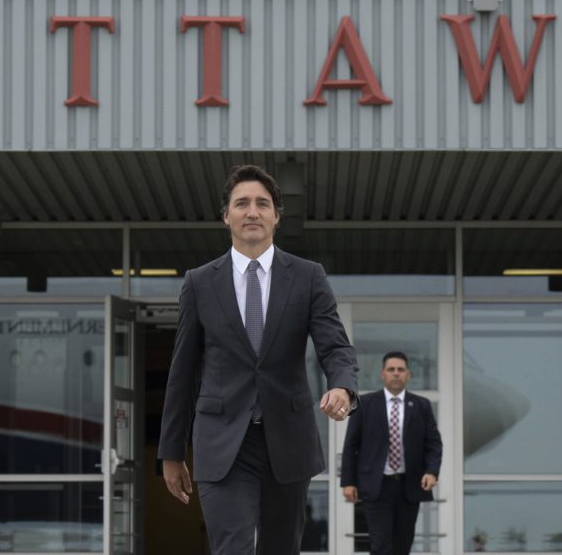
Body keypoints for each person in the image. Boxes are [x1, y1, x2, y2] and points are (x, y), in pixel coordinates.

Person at [158, 164, 358, 555]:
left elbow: (335, 346)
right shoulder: (200, 282)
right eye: (242, 203)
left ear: (276, 216)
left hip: (288, 439)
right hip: (221, 441)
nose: (252, 211)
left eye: (262, 204)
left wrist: (343, 386)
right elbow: (182, 371)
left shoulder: (307, 277)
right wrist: (171, 451)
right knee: (232, 547)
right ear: (226, 216)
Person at [341, 351, 443, 555]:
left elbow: (433, 443)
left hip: (409, 486)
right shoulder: (365, 404)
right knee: (380, 545)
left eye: (400, 370)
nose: (396, 374)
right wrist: (348, 482)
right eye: (391, 370)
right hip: (376, 486)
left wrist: (432, 472)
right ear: (383, 374)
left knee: (402, 545)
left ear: (408, 375)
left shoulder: (421, 405)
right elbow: (351, 445)